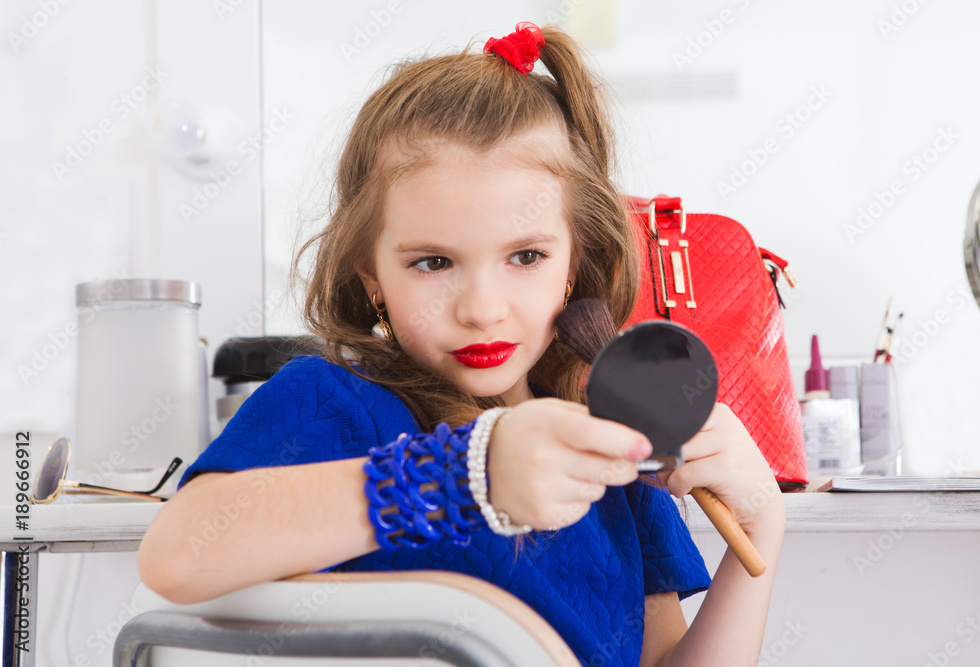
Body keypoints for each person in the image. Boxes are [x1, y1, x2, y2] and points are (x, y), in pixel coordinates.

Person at [138, 21, 785, 667]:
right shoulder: (330, 404)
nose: (480, 308)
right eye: (433, 262)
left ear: (572, 267)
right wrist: (461, 475)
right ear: (373, 276)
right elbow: (178, 555)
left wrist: (762, 535)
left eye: (526, 255)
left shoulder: (616, 464)